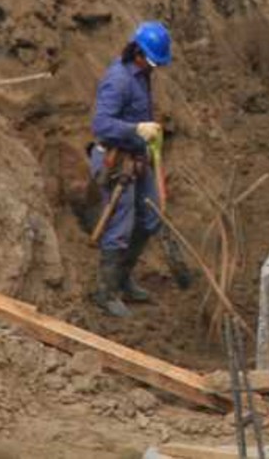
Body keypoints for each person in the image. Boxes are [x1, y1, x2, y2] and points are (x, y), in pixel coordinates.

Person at [89, 20, 172, 318]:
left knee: (150, 216)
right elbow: (101, 125)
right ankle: (106, 291)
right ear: (136, 51)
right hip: (115, 160)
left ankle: (123, 279)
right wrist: (136, 128)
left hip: (136, 158)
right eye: (151, 60)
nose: (154, 67)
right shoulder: (118, 79)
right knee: (119, 227)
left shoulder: (142, 75)